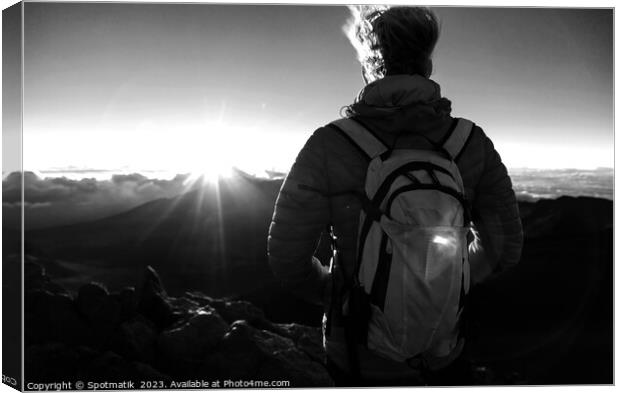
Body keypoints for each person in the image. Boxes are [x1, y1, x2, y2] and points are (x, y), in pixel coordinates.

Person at [267, 5, 523, 386]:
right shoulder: (471, 143)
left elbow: (288, 259)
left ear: (368, 63)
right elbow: (503, 249)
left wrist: (340, 295)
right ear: (427, 63)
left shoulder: (329, 144)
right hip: (444, 347)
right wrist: (447, 286)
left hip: (357, 353)